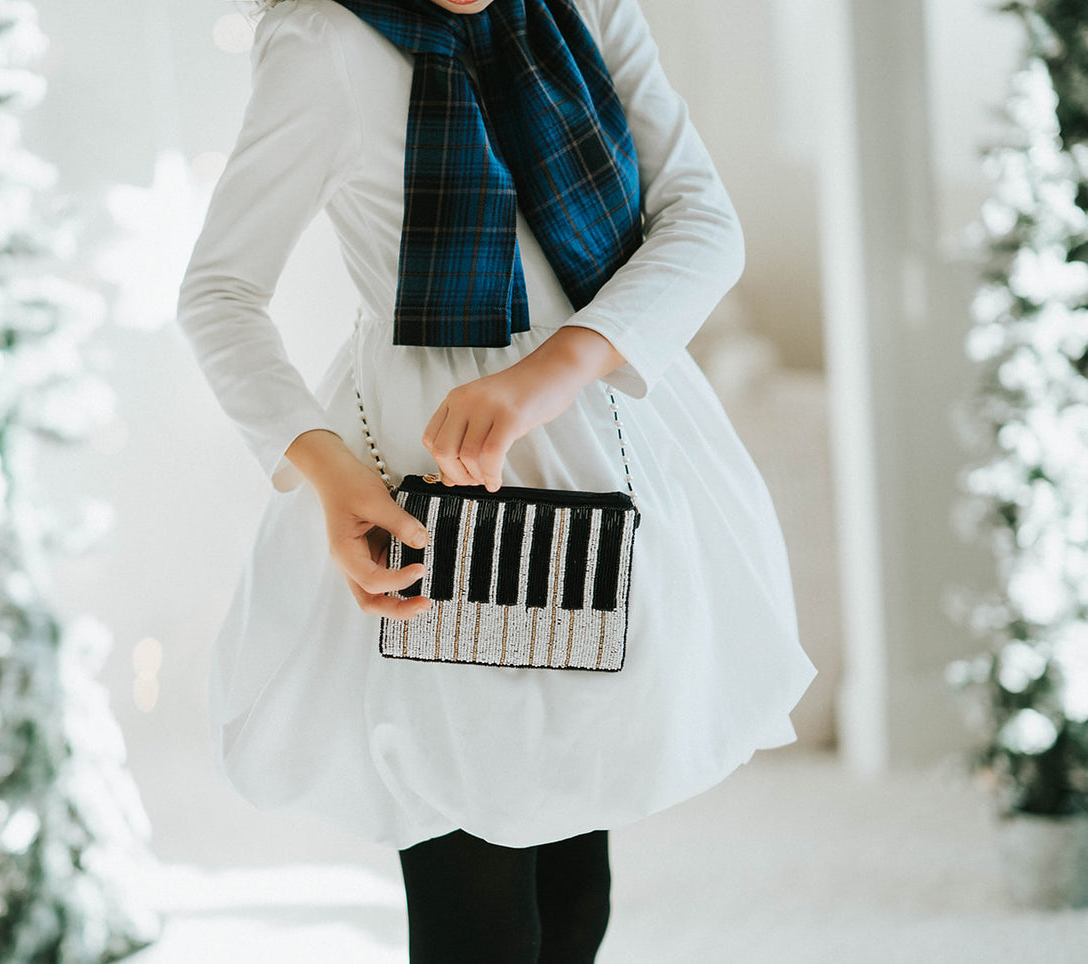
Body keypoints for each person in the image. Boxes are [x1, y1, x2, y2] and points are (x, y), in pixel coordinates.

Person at [175, 0, 818, 959]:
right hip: (421, 485)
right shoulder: (323, 41)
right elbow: (219, 293)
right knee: (470, 887)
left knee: (573, 882)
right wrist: (324, 469)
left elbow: (700, 222)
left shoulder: (587, 9)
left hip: (601, 440)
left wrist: (544, 376)